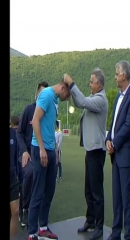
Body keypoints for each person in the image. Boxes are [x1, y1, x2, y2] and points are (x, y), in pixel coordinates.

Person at [64, 68, 108, 240]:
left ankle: (99, 227)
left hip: (97, 151)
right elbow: (79, 103)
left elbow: (81, 101)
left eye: (91, 81)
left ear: (98, 84)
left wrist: (71, 82)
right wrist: (71, 89)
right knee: (88, 190)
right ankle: (90, 220)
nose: (89, 84)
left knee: (97, 192)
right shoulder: (93, 98)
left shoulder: (101, 100)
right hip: (91, 150)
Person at [27, 78, 70, 240]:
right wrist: (42, 149)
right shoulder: (46, 95)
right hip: (40, 149)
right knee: (38, 191)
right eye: (67, 95)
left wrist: (55, 152)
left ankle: (43, 227)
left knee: (49, 190)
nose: (67, 99)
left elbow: (49, 125)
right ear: (63, 88)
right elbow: (35, 121)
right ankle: (32, 233)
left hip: (51, 150)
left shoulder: (55, 99)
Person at [106, 60, 130, 240]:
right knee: (117, 197)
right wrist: (107, 139)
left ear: (124, 75)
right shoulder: (119, 97)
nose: (115, 77)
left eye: (116, 74)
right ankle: (116, 232)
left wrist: (115, 142)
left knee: (127, 199)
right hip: (116, 156)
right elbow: (113, 124)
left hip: (126, 155)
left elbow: (128, 126)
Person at [16, 81, 49, 227]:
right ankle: (25, 208)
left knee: (43, 178)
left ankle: (38, 212)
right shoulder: (29, 110)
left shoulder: (47, 111)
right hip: (27, 153)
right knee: (30, 173)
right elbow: (19, 132)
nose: (43, 96)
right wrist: (23, 151)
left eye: (45, 93)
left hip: (40, 153)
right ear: (37, 94)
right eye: (41, 93)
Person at [10, 119, 20, 239]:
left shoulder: (13, 133)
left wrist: (19, 177)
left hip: (13, 179)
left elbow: (16, 157)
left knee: (16, 212)